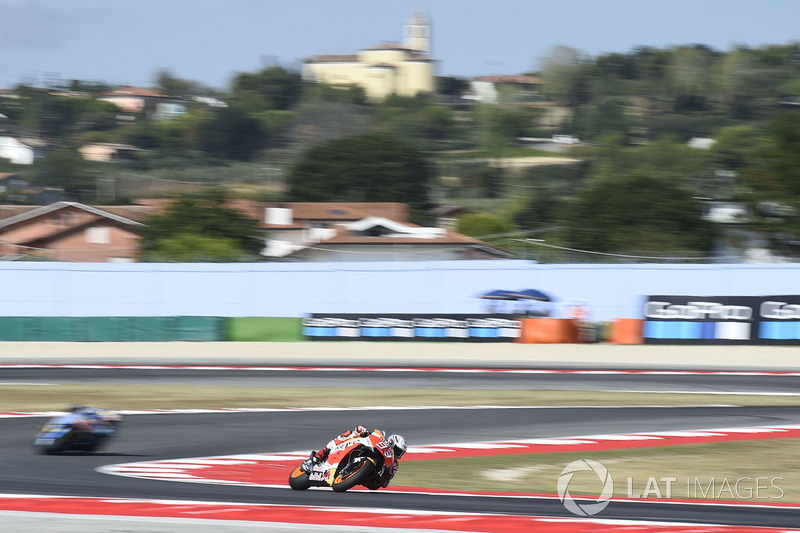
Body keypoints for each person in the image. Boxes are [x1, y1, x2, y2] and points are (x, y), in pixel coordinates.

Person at [305, 425, 408, 488]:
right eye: (398, 450)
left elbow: (384, 484)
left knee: (376, 485)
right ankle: (320, 455)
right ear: (391, 442)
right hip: (362, 448)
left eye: (401, 453)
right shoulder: (380, 440)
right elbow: (365, 433)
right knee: (348, 434)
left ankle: (352, 476)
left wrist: (388, 475)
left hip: (368, 474)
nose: (398, 455)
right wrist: (363, 432)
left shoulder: (394, 465)